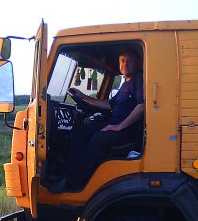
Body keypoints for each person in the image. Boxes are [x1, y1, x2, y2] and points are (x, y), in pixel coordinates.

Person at [49, 48, 144, 193]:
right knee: (80, 132)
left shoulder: (139, 80)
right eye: (122, 60)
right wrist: (82, 96)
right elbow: (108, 105)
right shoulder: (125, 84)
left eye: (129, 60)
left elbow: (142, 106)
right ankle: (68, 174)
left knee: (98, 139)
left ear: (137, 63)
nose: (125, 64)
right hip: (114, 126)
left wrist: (119, 126)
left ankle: (74, 182)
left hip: (127, 131)